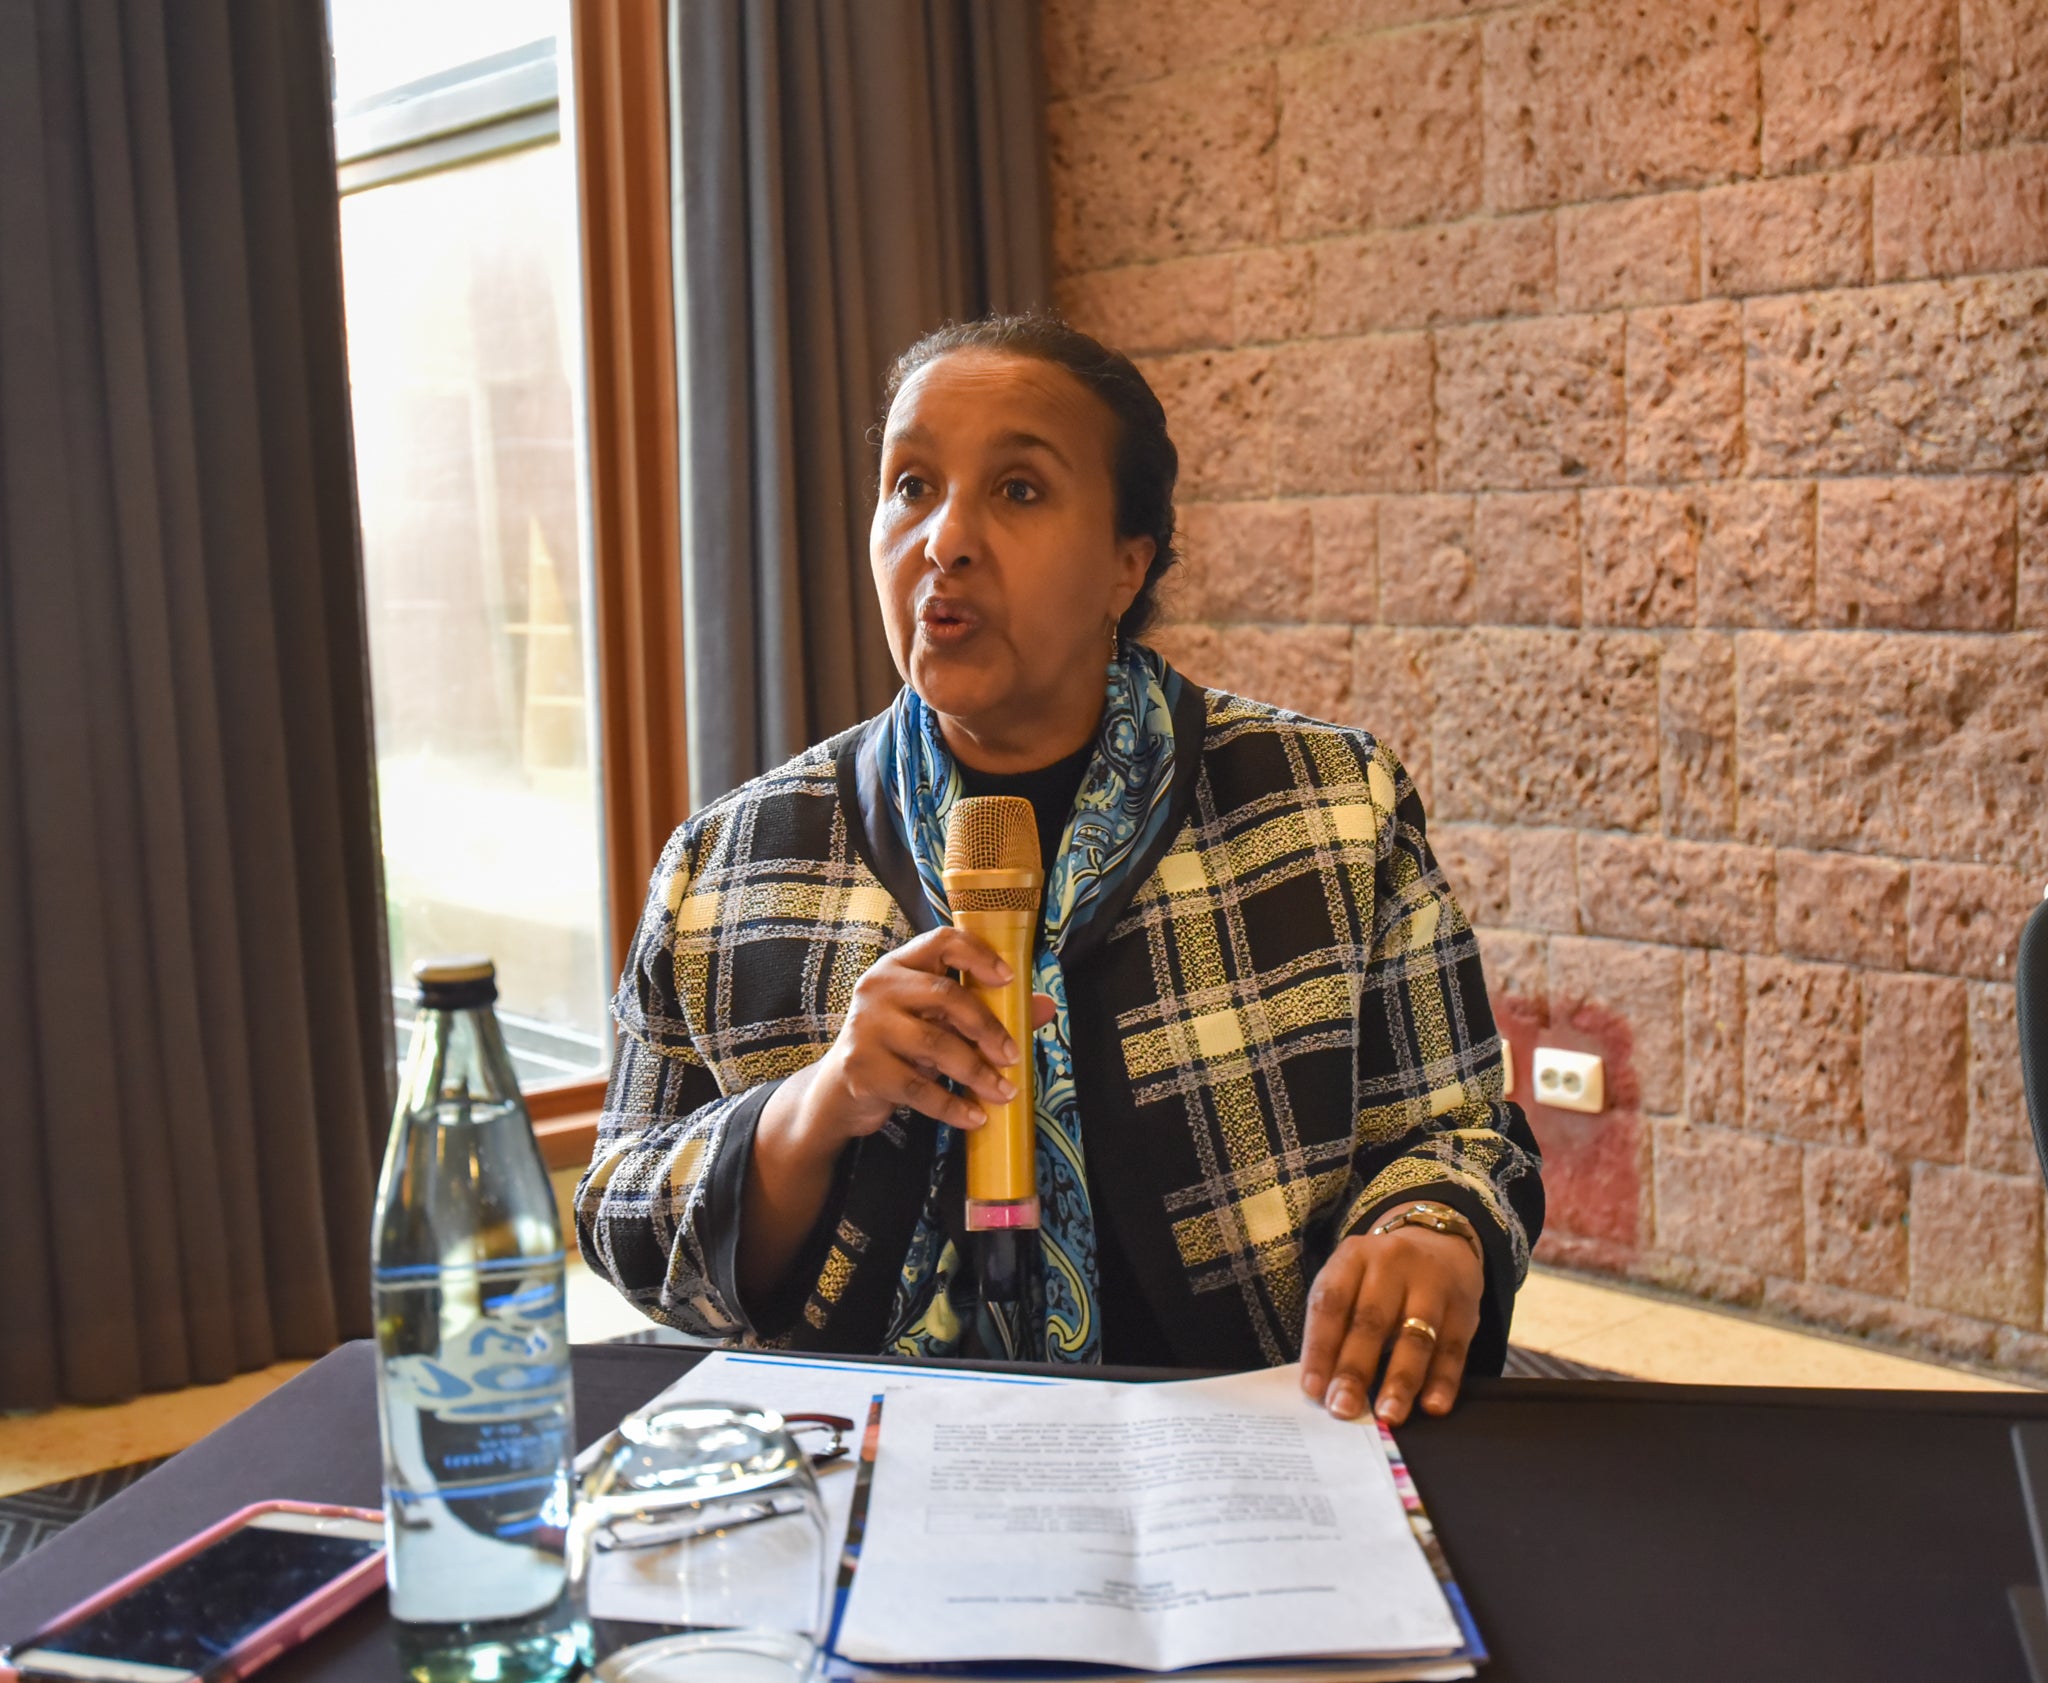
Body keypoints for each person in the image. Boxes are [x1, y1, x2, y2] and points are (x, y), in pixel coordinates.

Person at [576, 312, 1543, 1426]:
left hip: (1252, 1448)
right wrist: (818, 1103)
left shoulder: (1322, 805)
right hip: (862, 1473)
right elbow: (620, 1216)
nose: (944, 540)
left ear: (1127, 564)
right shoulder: (731, 860)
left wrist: (1429, 1230)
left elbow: (1461, 1135)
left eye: (1019, 491)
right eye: (909, 486)